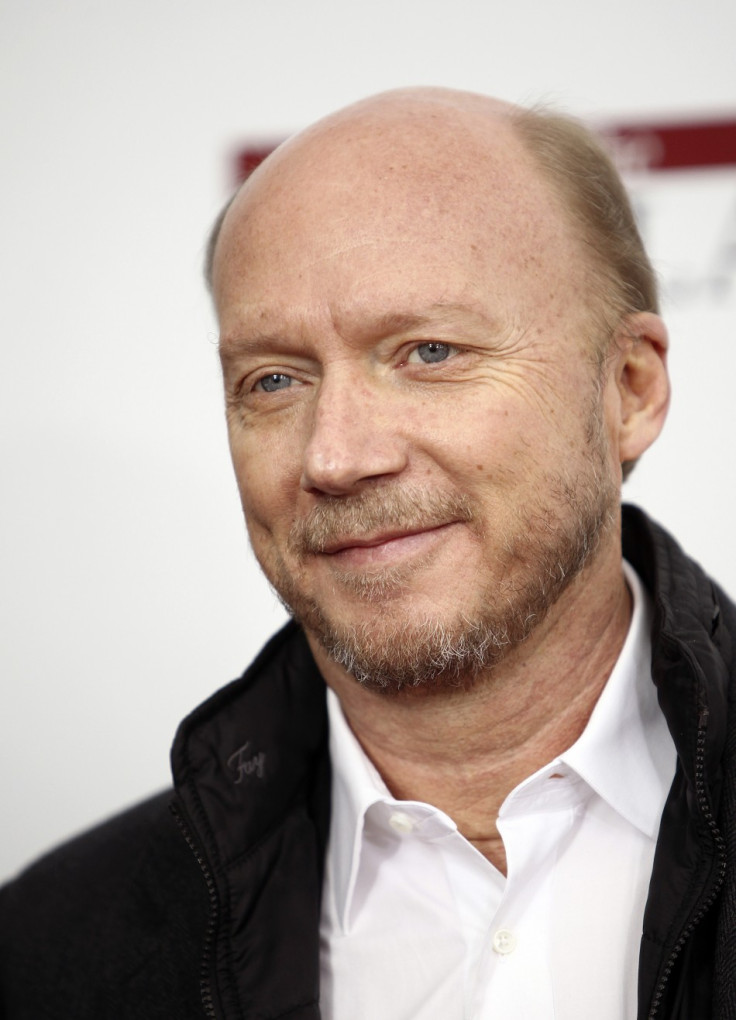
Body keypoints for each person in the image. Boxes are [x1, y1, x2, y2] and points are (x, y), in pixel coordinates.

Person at [1, 87, 734, 1020]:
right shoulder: (55, 949)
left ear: (629, 389)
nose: (336, 456)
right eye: (274, 379)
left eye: (429, 353)